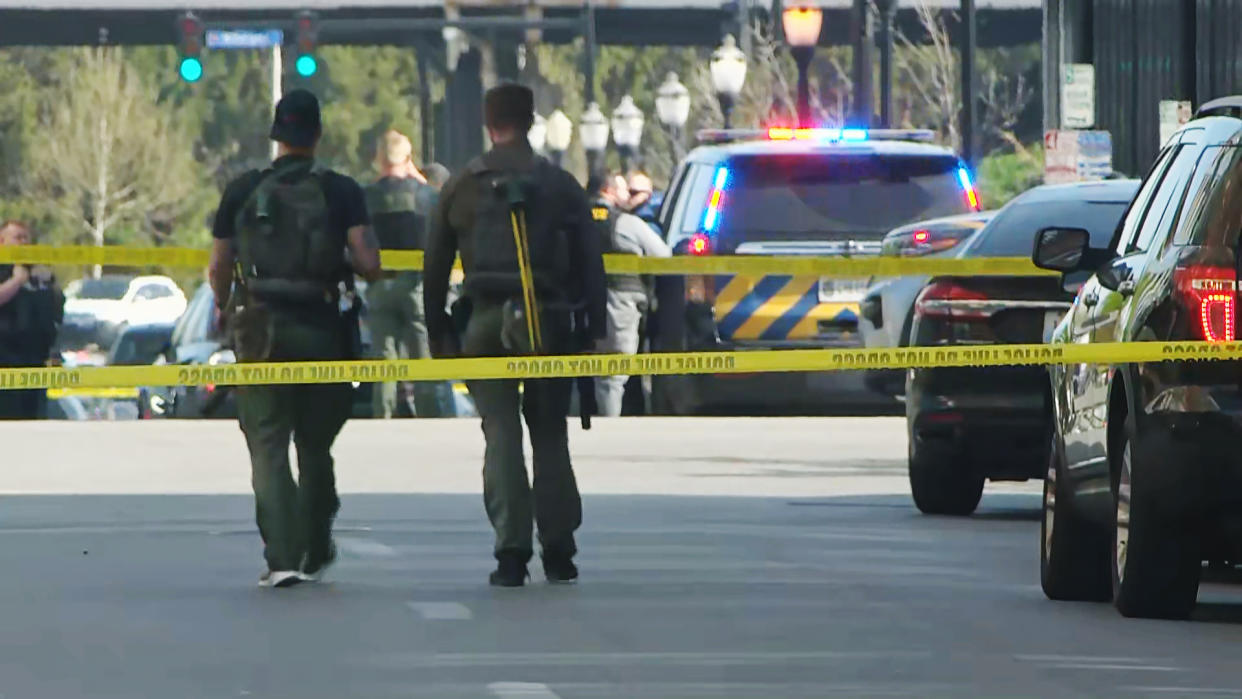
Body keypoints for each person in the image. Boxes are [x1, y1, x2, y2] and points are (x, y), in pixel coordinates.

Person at [425, 83, 607, 588]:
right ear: (530, 122)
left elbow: (434, 266)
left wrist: (438, 331)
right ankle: (559, 550)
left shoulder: (461, 185)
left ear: (489, 125)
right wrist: (593, 328)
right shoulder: (561, 185)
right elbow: (592, 264)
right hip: (547, 320)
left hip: (484, 321)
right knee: (550, 433)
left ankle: (510, 552)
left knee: (500, 433)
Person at [209, 89, 381, 589]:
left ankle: (281, 556)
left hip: (259, 329)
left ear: (276, 136)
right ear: (318, 134)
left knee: (266, 445)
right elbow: (369, 263)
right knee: (315, 444)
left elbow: (219, 266)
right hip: (323, 327)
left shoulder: (242, 190)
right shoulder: (341, 190)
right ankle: (313, 546)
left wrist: (226, 308)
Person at [364, 130, 440, 419]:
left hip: (380, 284)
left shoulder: (366, 196)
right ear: (408, 159)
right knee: (422, 356)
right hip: (416, 286)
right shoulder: (427, 195)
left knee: (384, 357)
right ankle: (430, 418)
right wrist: (419, 178)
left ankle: (381, 416)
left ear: (378, 159)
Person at [589, 174, 671, 416]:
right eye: (625, 191)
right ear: (609, 191)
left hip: (577, 305)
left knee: (589, 371)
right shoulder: (625, 223)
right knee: (613, 374)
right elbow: (663, 256)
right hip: (619, 304)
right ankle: (609, 427)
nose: (627, 197)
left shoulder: (571, 221)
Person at [0, 221, 64, 420]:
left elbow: (56, 313)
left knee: (34, 423)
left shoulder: (39, 273)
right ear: (2, 241)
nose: (24, 243)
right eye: (17, 237)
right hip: (6, 362)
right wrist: (16, 281)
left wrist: (49, 286)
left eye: (26, 238)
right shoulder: (4, 272)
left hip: (36, 361)